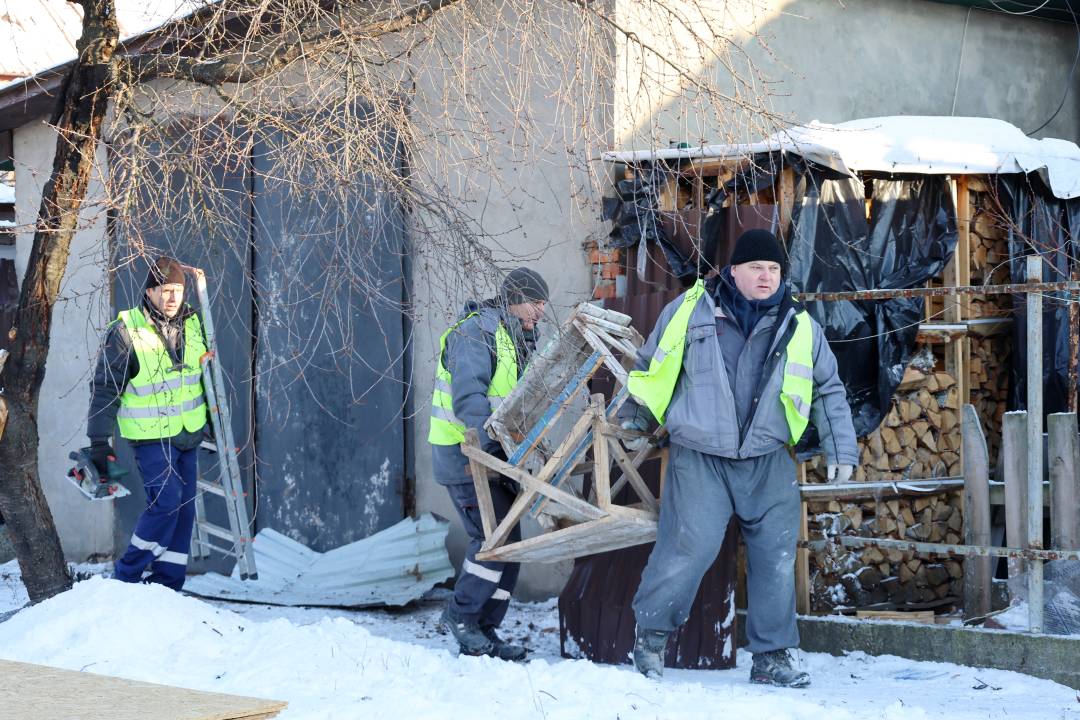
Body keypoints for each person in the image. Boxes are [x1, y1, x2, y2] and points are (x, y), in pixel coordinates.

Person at [620, 229, 857, 688]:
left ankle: (772, 656)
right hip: (701, 456)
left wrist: (841, 447)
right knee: (689, 547)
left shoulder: (799, 325)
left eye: (773, 269)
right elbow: (652, 365)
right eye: (756, 268)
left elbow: (827, 386)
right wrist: (635, 418)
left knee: (776, 556)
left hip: (768, 458)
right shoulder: (690, 311)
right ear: (734, 271)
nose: (766, 276)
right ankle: (650, 638)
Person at [430, 267, 549, 661]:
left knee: (508, 546)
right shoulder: (474, 332)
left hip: (494, 457)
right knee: (491, 540)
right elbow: (470, 398)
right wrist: (489, 452)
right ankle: (462, 617)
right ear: (515, 299)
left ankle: (484, 628)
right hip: (466, 456)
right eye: (535, 302)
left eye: (543, 304)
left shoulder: (514, 338)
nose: (540, 311)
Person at [87, 256, 209, 591]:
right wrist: (98, 441)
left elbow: (202, 378)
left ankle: (167, 585)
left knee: (184, 510)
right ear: (150, 292)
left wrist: (212, 421)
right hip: (152, 437)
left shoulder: (194, 323)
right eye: (164, 290)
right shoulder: (126, 331)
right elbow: (105, 388)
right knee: (167, 503)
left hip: (188, 432)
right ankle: (126, 578)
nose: (172, 298)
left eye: (177, 291)